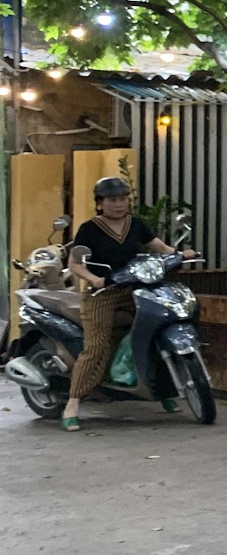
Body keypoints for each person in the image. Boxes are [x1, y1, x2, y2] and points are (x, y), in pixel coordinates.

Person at [60, 176, 195, 431]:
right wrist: (95, 279)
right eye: (112, 200)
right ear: (100, 203)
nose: (119, 204)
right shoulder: (89, 228)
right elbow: (75, 264)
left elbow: (159, 247)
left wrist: (181, 254)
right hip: (105, 292)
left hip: (137, 288)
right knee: (96, 346)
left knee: (159, 327)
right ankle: (73, 402)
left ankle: (164, 391)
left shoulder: (136, 225)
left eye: (122, 199)